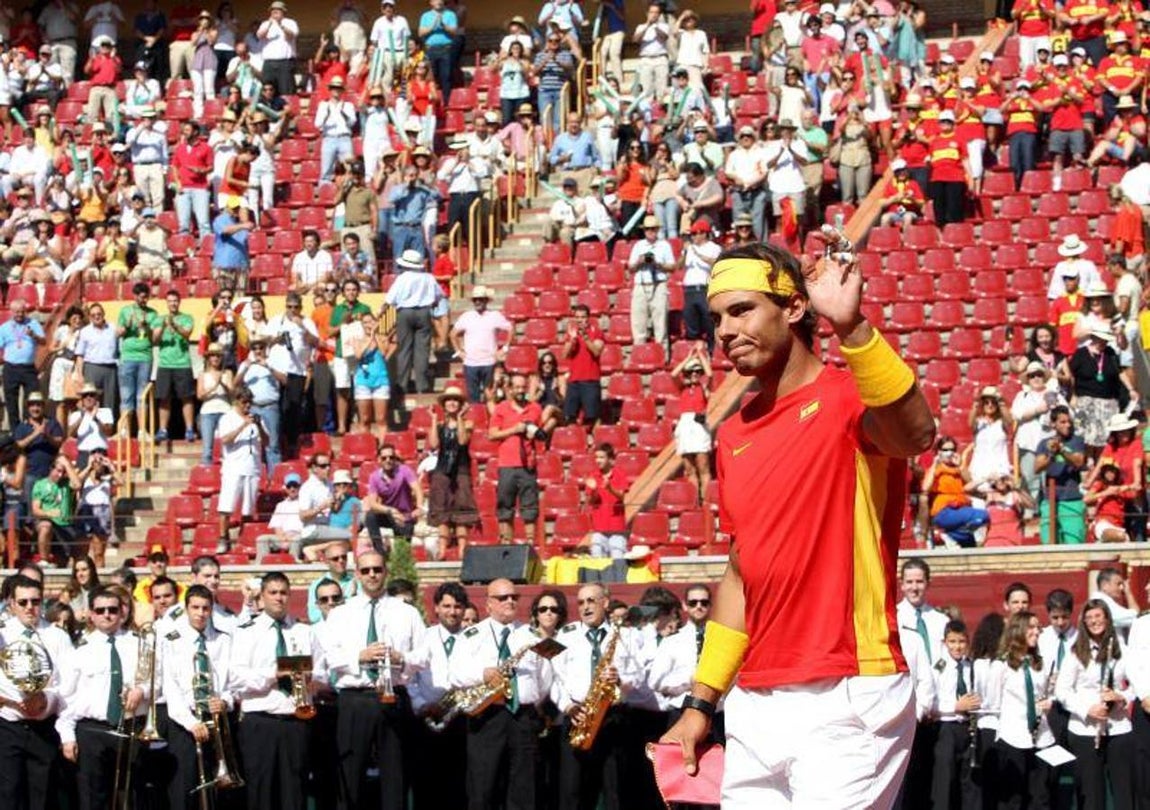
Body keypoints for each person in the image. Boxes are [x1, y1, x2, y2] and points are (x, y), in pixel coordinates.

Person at [659, 236, 935, 804]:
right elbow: (741, 574)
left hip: (848, 688)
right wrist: (700, 702)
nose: (726, 330)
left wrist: (854, 328)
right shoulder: (732, 434)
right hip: (756, 703)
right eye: (717, 318)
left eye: (742, 309)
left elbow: (916, 435)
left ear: (794, 308)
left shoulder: (849, 396)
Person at [321, 550, 425, 810]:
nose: (372, 575)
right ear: (357, 573)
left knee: (395, 776)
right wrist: (360, 656)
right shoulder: (340, 613)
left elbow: (424, 656)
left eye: (377, 569)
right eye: (366, 570)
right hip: (355, 699)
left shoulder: (407, 612)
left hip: (394, 696)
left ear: (386, 572)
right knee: (350, 773)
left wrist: (401, 657)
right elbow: (330, 657)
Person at [451, 577, 554, 810]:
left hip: (523, 717)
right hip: (487, 717)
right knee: (483, 787)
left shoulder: (534, 635)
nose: (510, 601)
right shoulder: (471, 635)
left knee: (523, 787)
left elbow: (546, 678)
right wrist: (483, 673)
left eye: (514, 597)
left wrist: (529, 701)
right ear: (488, 604)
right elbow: (455, 674)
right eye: (502, 597)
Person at [551, 583, 644, 810]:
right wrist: (568, 707)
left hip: (613, 718)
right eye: (581, 602)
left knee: (615, 790)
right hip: (577, 717)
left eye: (591, 600)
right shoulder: (564, 635)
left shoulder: (627, 635)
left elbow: (640, 675)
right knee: (572, 791)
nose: (585, 607)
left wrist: (621, 679)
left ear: (605, 603)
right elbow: (553, 678)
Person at [56, 586, 150, 810]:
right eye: (100, 610)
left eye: (112, 610)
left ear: (122, 612)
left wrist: (142, 691)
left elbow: (155, 679)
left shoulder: (138, 644)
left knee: (133, 797)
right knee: (92, 797)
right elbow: (67, 696)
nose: (107, 615)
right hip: (92, 732)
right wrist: (67, 735)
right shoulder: (79, 650)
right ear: (91, 614)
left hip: (130, 727)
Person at [231, 572, 313, 810]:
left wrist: (310, 677)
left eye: (284, 593)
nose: (279, 598)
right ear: (262, 596)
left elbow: (323, 673)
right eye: (273, 593)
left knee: (294, 793)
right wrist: (273, 674)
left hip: (296, 720)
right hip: (260, 722)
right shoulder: (246, 631)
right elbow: (236, 678)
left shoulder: (303, 631)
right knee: (261, 793)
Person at [0, 573, 74, 810]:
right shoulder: (2, 633)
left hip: (44, 728)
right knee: (8, 795)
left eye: (36, 601)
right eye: (23, 602)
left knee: (42, 797)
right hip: (7, 725)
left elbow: (70, 684)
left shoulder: (57, 636)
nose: (30, 608)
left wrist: (46, 699)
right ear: (11, 604)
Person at [1054, 599, 1136, 810]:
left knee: (1123, 791)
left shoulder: (1123, 650)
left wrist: (1121, 696)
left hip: (1118, 729)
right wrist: (1087, 710)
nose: (1094, 621)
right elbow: (1062, 691)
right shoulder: (1075, 652)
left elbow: (1138, 685)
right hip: (1085, 730)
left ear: (1107, 619)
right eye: (1089, 618)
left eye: (1098, 616)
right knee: (1092, 796)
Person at [160, 584, 235, 810]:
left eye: (205, 608)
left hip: (217, 718)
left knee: (217, 788)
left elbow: (232, 681)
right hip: (185, 723)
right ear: (186, 608)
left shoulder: (224, 640)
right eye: (195, 607)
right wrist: (190, 722)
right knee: (184, 788)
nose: (200, 613)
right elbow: (170, 687)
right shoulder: (172, 641)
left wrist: (225, 701)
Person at [489, 373, 543, 546]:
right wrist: (514, 429)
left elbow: (542, 432)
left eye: (523, 387)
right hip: (507, 465)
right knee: (505, 505)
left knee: (530, 506)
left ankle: (530, 544)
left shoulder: (535, 408)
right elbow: (492, 434)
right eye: (517, 387)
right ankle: (507, 544)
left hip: (528, 464)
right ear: (510, 389)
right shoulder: (501, 408)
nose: (520, 391)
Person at [426, 386, 479, 559]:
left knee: (461, 510)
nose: (452, 403)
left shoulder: (468, 423)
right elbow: (433, 444)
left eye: (455, 400)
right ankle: (442, 549)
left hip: (461, 471)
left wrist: (460, 419)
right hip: (442, 471)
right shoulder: (440, 426)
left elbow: (462, 440)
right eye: (449, 400)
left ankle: (463, 549)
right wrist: (434, 420)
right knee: (442, 511)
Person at [215, 387, 266, 553]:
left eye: (250, 402)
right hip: (233, 468)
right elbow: (225, 440)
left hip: (252, 468)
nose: (248, 406)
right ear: (236, 401)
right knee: (226, 505)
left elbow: (267, 441)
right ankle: (223, 538)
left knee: (248, 508)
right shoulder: (227, 418)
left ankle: (245, 539)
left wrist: (258, 425)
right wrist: (243, 425)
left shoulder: (256, 419)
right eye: (244, 402)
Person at [386, 249, 442, 395]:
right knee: (422, 351)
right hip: (424, 312)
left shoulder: (402, 278)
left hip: (404, 312)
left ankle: (402, 384)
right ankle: (421, 385)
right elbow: (439, 296)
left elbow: (390, 300)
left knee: (404, 350)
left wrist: (382, 312)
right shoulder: (428, 277)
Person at [452, 286, 512, 404]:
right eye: (475, 299)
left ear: (486, 300)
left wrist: (505, 348)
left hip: (489, 362)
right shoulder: (467, 316)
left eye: (480, 299)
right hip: (470, 363)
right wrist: (459, 352)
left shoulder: (494, 315)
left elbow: (510, 328)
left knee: (490, 396)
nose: (478, 302)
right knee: (473, 397)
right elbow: (453, 334)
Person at [152, 290, 196, 443]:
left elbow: (187, 334)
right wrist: (164, 327)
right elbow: (155, 340)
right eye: (170, 301)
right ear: (166, 302)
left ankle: (189, 429)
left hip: (183, 363)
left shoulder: (186, 318)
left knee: (187, 398)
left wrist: (175, 326)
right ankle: (163, 429)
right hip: (164, 364)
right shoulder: (159, 319)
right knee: (164, 398)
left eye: (175, 301)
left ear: (179, 302)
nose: (173, 303)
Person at [363, 444, 423, 551]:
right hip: (388, 514)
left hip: (405, 515)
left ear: (395, 459)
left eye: (391, 457)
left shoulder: (404, 471)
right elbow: (372, 503)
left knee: (402, 549)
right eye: (384, 458)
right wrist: (391, 511)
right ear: (379, 460)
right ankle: (380, 552)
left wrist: (419, 507)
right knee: (370, 516)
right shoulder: (374, 477)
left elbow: (417, 490)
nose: (388, 460)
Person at [627, 216, 675, 346]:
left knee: (660, 325)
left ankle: (663, 358)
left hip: (659, 284)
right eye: (647, 229)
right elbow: (630, 268)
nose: (650, 231)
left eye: (653, 229)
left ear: (657, 229)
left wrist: (657, 263)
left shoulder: (664, 245)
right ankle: (640, 355)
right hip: (641, 284)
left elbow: (672, 267)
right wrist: (639, 261)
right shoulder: (638, 245)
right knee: (638, 324)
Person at [0, 300, 47, 431]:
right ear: (11, 312)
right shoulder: (4, 328)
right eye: (17, 312)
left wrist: (33, 335)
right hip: (11, 368)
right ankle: (15, 432)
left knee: (32, 400)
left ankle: (30, 428)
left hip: (28, 368)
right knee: (11, 402)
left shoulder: (33, 324)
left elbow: (43, 341)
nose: (20, 314)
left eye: (22, 311)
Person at [583, 443, 630, 559]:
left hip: (617, 528)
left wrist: (610, 488)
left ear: (610, 459)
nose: (598, 460)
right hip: (599, 528)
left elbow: (622, 496)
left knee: (618, 560)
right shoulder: (593, 476)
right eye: (596, 457)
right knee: (597, 559)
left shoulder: (619, 475)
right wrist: (593, 490)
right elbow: (591, 502)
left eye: (601, 457)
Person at [305, 539, 356, 623]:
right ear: (326, 561)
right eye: (335, 559)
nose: (341, 561)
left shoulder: (357, 582)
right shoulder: (316, 585)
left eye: (344, 557)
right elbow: (313, 616)